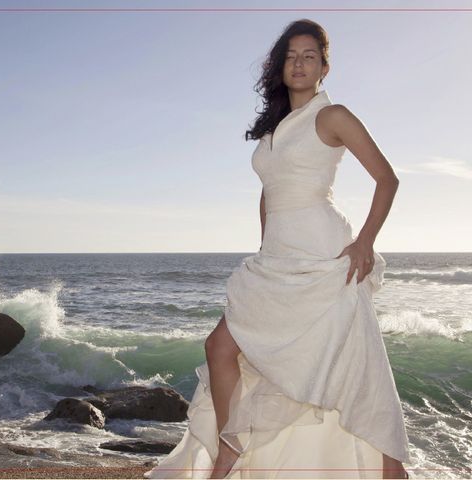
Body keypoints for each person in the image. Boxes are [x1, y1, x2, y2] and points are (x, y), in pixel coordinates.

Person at [144, 19, 411, 479]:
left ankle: (391, 473)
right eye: (292, 56)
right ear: (280, 67)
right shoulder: (276, 125)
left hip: (325, 255)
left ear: (325, 66)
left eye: (310, 56)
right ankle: (231, 444)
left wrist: (365, 241)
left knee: (353, 370)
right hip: (276, 259)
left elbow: (387, 178)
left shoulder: (333, 115)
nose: (300, 63)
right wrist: (266, 246)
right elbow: (269, 191)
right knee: (220, 347)